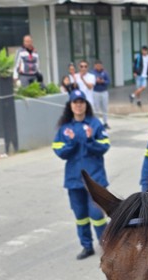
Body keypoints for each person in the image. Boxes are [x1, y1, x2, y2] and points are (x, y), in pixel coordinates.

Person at [52, 90, 110, 259]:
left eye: (81, 102)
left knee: (97, 215)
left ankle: (107, 247)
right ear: (70, 106)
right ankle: (86, 246)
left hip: (95, 180)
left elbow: (104, 146)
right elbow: (59, 151)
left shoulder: (95, 124)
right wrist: (71, 142)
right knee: (81, 216)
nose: (78, 105)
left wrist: (90, 140)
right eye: (75, 102)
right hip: (74, 180)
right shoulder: (65, 128)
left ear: (86, 104)